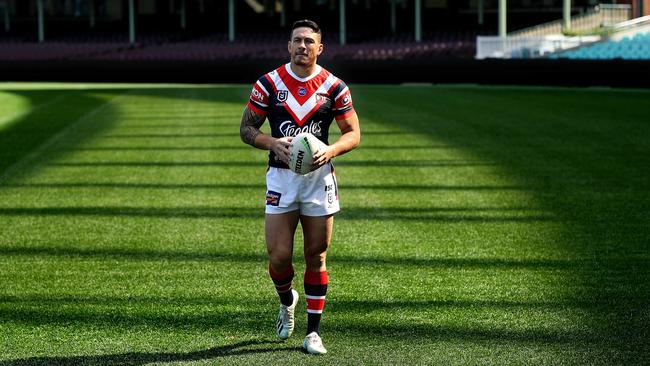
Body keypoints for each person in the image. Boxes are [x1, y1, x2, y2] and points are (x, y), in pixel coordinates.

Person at [239, 19, 360, 355]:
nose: (302, 46)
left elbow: (354, 133)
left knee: (316, 255)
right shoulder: (268, 83)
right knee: (278, 257)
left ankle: (313, 333)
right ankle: (286, 299)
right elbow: (247, 129)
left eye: (309, 41)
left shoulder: (335, 87)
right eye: (297, 41)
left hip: (319, 181)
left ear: (319, 48)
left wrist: (331, 149)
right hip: (281, 177)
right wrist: (271, 143)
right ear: (288, 46)